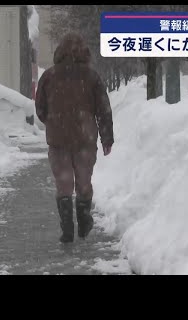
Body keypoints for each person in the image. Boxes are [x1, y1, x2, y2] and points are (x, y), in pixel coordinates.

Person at [35, 32, 114, 243]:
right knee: (84, 182)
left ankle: (67, 228)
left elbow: (40, 108)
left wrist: (53, 122)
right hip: (85, 139)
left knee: (63, 184)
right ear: (84, 53)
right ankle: (84, 219)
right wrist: (107, 138)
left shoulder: (49, 76)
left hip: (58, 140)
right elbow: (103, 110)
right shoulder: (91, 77)